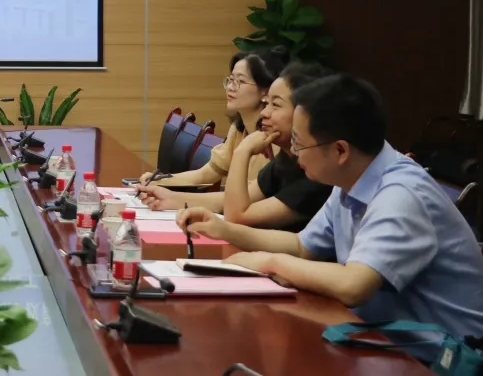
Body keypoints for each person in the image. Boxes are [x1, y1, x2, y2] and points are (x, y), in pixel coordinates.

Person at [178, 74, 483, 361]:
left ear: (340, 150)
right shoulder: (352, 177)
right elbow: (302, 246)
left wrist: (269, 263)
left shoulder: (400, 195)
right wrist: (224, 230)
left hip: (445, 359)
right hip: (383, 343)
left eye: (299, 142)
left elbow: (353, 285)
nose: (294, 151)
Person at [138, 62, 334, 231]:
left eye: (275, 105)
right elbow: (229, 201)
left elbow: (237, 215)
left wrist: (242, 151)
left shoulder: (316, 173)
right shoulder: (285, 159)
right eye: (267, 104)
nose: (264, 113)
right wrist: (170, 198)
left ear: (304, 113)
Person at [139, 47, 288, 187]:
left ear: (265, 91)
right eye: (231, 80)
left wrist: (168, 196)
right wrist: (159, 181)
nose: (230, 87)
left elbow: (249, 197)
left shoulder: (272, 140)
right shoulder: (238, 130)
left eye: (240, 81)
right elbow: (207, 174)